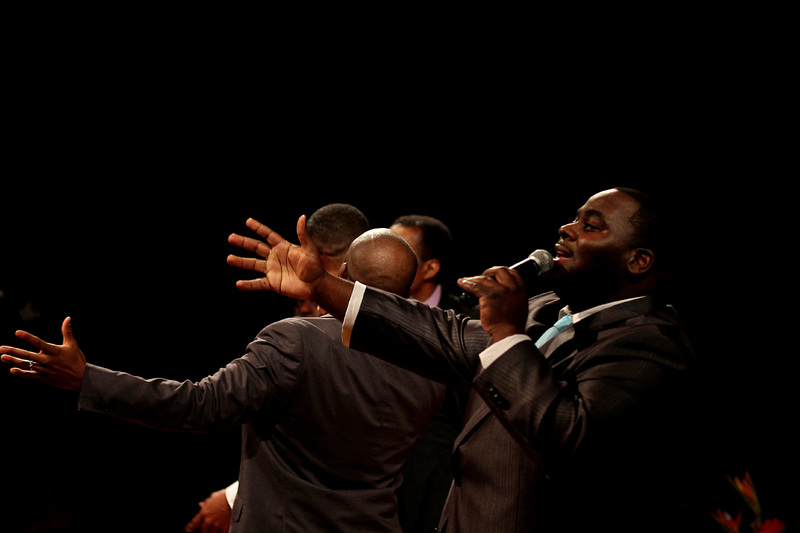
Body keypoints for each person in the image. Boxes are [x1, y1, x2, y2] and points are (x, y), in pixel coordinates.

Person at [221, 187, 698, 532]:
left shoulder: (651, 342)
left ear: (639, 261)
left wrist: (508, 333)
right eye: (574, 218)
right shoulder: (545, 307)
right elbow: (442, 336)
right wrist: (324, 286)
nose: (566, 229)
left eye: (590, 225)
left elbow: (574, 439)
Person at [1, 229, 447, 532]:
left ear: (343, 274)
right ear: (409, 288)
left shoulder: (296, 340)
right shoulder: (433, 365)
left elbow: (199, 405)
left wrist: (86, 379)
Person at [184, 202, 371, 532]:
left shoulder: (371, 333)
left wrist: (90, 379)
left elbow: (204, 404)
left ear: (323, 258)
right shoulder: (405, 329)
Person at [389, 214, 470, 532]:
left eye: (399, 249)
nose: (385, 256)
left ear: (430, 268)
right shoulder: (369, 315)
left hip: (437, 489)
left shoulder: (470, 323)